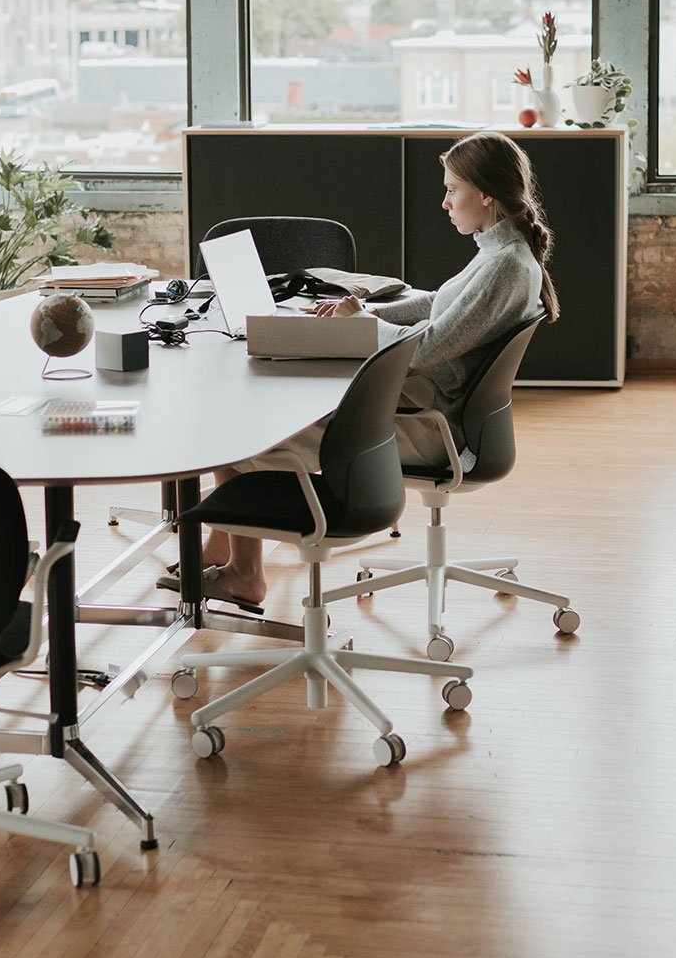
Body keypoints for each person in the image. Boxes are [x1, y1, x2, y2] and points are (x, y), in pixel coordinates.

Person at [164, 130, 558, 610]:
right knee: (246, 420)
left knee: (244, 435)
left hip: (430, 425)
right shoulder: (500, 253)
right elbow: (436, 307)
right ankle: (222, 550)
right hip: (422, 403)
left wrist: (363, 323)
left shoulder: (506, 267)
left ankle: (245, 574)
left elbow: (428, 346)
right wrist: (356, 312)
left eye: (452, 189)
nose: (445, 201)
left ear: (487, 194)